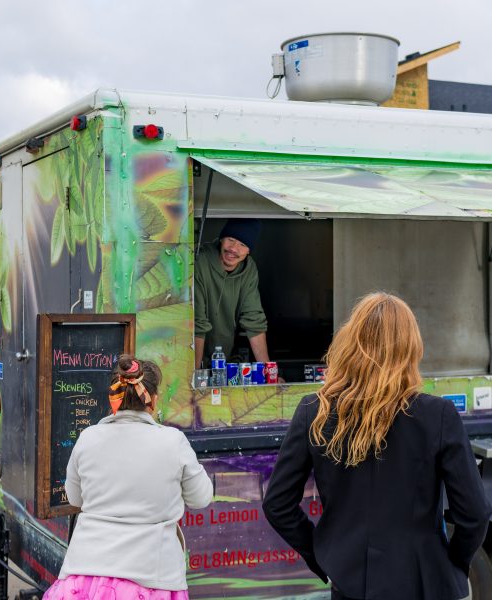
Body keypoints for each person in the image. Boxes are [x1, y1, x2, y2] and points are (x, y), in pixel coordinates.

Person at [262, 292, 491, 600]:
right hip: (423, 582)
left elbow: (277, 503)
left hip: (349, 582)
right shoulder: (437, 415)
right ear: (410, 348)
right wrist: (453, 563)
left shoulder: (313, 411)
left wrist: (324, 555)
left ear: (349, 343)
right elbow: (474, 514)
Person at [43, 354, 214, 600]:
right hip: (151, 578)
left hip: (85, 574)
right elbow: (200, 498)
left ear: (114, 397)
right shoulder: (173, 441)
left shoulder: (88, 437)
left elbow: (75, 498)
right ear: (153, 399)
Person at [194, 218, 271, 369]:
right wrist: (194, 376)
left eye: (242, 244)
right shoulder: (199, 262)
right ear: (221, 239)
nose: (234, 249)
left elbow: (254, 320)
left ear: (249, 251)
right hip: (192, 358)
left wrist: (268, 373)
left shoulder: (249, 269)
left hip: (223, 360)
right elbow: (197, 322)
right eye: (231, 239)